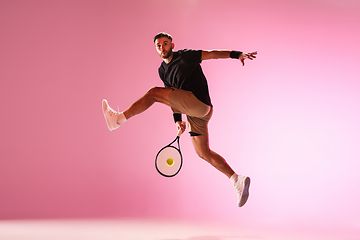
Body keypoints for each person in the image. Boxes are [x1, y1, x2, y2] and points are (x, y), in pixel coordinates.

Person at [102, 32, 257, 207]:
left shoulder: (186, 56)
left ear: (172, 45)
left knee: (154, 93)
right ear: (156, 49)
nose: (162, 48)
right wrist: (177, 120)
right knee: (202, 152)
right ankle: (236, 179)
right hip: (197, 113)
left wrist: (237, 55)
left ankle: (118, 119)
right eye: (158, 45)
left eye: (165, 43)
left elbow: (212, 53)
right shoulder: (162, 71)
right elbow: (172, 95)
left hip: (198, 103)